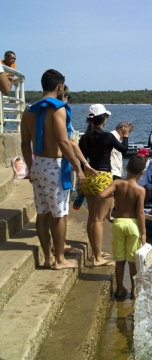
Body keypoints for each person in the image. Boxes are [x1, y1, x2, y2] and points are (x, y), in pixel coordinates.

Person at [20, 69, 86, 269]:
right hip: (53, 166)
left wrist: (30, 168)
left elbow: (24, 144)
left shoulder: (28, 110)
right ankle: (59, 260)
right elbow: (63, 142)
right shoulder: (58, 108)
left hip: (37, 164)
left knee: (42, 214)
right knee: (59, 215)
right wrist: (79, 169)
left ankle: (48, 257)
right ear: (59, 87)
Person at [79, 104, 131, 267]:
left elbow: (82, 162)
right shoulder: (108, 136)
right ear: (104, 119)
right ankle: (97, 259)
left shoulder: (84, 138)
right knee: (99, 220)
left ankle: (96, 252)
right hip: (103, 178)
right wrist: (126, 135)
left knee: (92, 218)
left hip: (89, 176)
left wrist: (81, 179)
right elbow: (124, 149)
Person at [97, 154, 146, 299]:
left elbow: (101, 195)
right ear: (141, 173)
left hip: (118, 223)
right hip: (133, 225)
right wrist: (143, 233)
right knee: (132, 262)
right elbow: (141, 212)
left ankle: (119, 289)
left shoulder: (117, 183)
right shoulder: (140, 190)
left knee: (119, 260)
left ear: (126, 168)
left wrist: (112, 200)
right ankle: (134, 291)